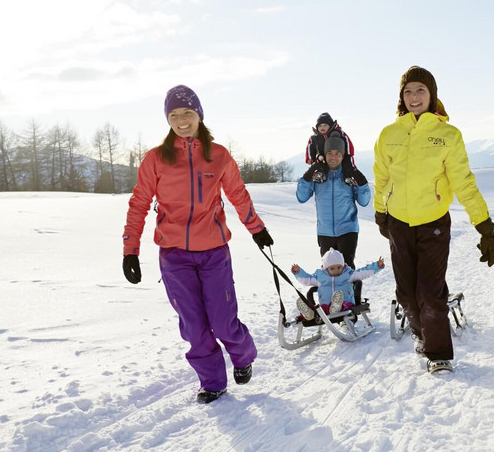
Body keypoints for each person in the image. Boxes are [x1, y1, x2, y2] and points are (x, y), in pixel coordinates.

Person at [121, 84, 274, 404]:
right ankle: (213, 381)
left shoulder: (217, 155)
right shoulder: (155, 159)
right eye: (174, 115)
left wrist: (256, 229)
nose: (181, 120)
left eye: (187, 113)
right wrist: (130, 250)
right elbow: (138, 204)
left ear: (199, 115)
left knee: (223, 320)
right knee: (193, 326)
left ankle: (243, 354)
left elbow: (238, 195)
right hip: (174, 256)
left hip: (214, 252)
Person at [372, 66, 494, 373]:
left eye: (420, 91)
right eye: (408, 91)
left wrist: (484, 226)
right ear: (402, 97)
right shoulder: (389, 134)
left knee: (430, 291)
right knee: (407, 295)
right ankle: (419, 333)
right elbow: (381, 176)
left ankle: (439, 353)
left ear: (432, 95)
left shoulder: (448, 135)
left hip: (434, 223)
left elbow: (464, 182)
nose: (414, 97)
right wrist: (380, 211)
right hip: (399, 222)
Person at [297, 130, 371, 299]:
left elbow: (364, 200)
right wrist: (308, 176)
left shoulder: (348, 175)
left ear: (343, 155)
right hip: (324, 232)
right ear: (325, 154)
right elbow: (301, 197)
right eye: (330, 153)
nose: (333, 157)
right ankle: (331, 306)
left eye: (338, 153)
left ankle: (350, 306)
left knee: (345, 270)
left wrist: (361, 181)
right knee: (328, 271)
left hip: (347, 230)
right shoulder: (319, 176)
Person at [290, 248, 385, 319]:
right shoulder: (320, 277)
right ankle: (309, 313)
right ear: (326, 268)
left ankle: (336, 306)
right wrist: (298, 272)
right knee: (320, 309)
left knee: (345, 306)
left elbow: (363, 273)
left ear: (343, 265)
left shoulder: (348, 274)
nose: (336, 270)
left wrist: (377, 266)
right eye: (332, 268)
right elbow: (307, 279)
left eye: (339, 267)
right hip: (326, 306)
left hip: (345, 304)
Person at [305, 112, 357, 184]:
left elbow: (347, 141)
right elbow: (310, 147)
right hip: (322, 155)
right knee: (319, 161)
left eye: (325, 125)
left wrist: (349, 152)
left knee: (347, 162)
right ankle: (320, 174)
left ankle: (349, 176)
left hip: (338, 154)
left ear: (330, 126)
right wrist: (310, 158)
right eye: (320, 126)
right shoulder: (314, 138)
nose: (322, 127)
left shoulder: (338, 133)